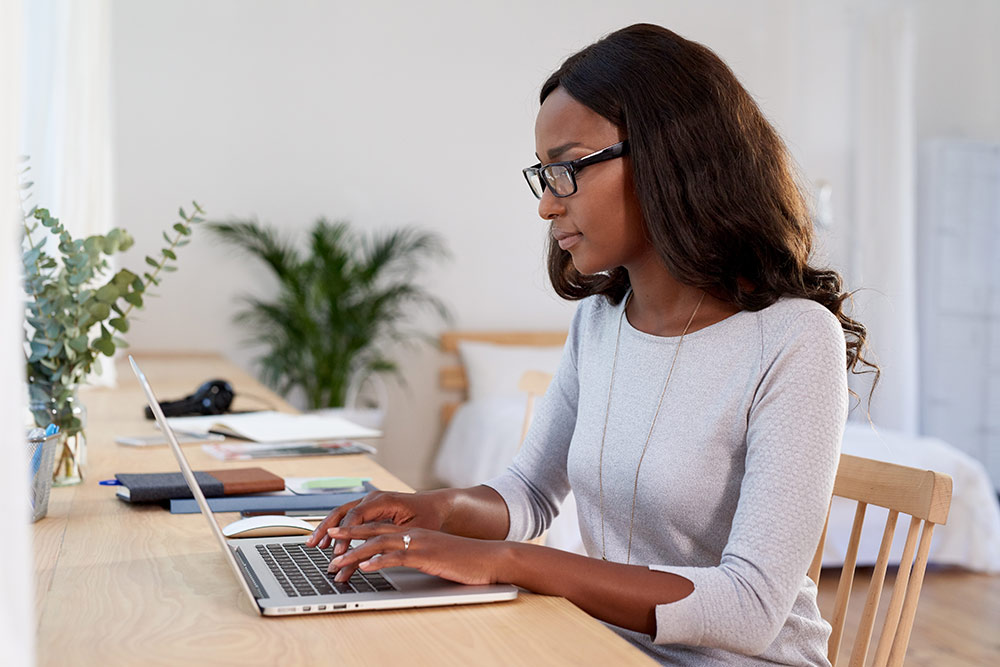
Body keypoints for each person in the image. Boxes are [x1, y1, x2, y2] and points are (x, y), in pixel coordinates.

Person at [306, 23, 877, 666]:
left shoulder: (794, 338)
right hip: (606, 649)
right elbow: (528, 493)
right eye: (542, 176)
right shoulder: (602, 323)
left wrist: (506, 561)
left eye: (566, 170)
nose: (547, 206)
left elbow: (748, 608)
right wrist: (430, 510)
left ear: (669, 154)